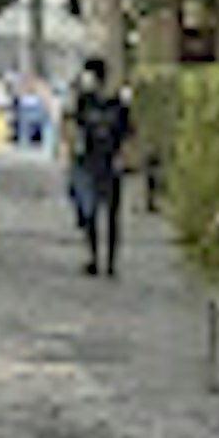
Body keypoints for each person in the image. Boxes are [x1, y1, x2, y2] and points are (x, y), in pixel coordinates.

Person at [66, 54, 136, 277]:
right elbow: (71, 122)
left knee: (111, 214)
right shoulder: (83, 101)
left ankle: (110, 261)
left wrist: (123, 157)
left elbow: (128, 133)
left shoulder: (117, 104)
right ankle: (94, 257)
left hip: (109, 162)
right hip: (88, 162)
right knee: (90, 211)